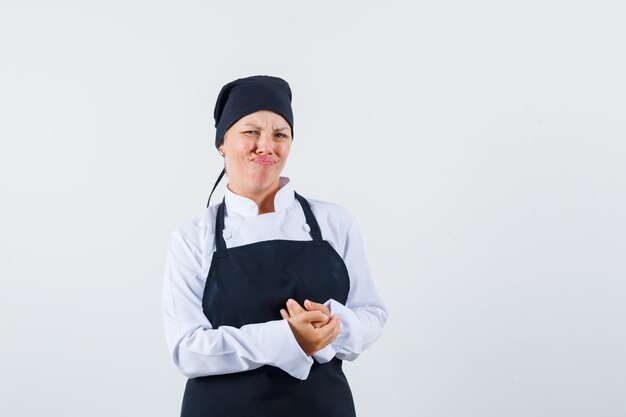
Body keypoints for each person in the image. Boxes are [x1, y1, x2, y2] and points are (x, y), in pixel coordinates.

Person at [161, 75, 388, 417]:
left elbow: (372, 315)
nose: (266, 146)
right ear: (222, 142)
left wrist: (332, 324)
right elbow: (188, 350)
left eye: (280, 134)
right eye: (251, 132)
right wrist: (289, 338)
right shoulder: (193, 237)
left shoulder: (335, 223)